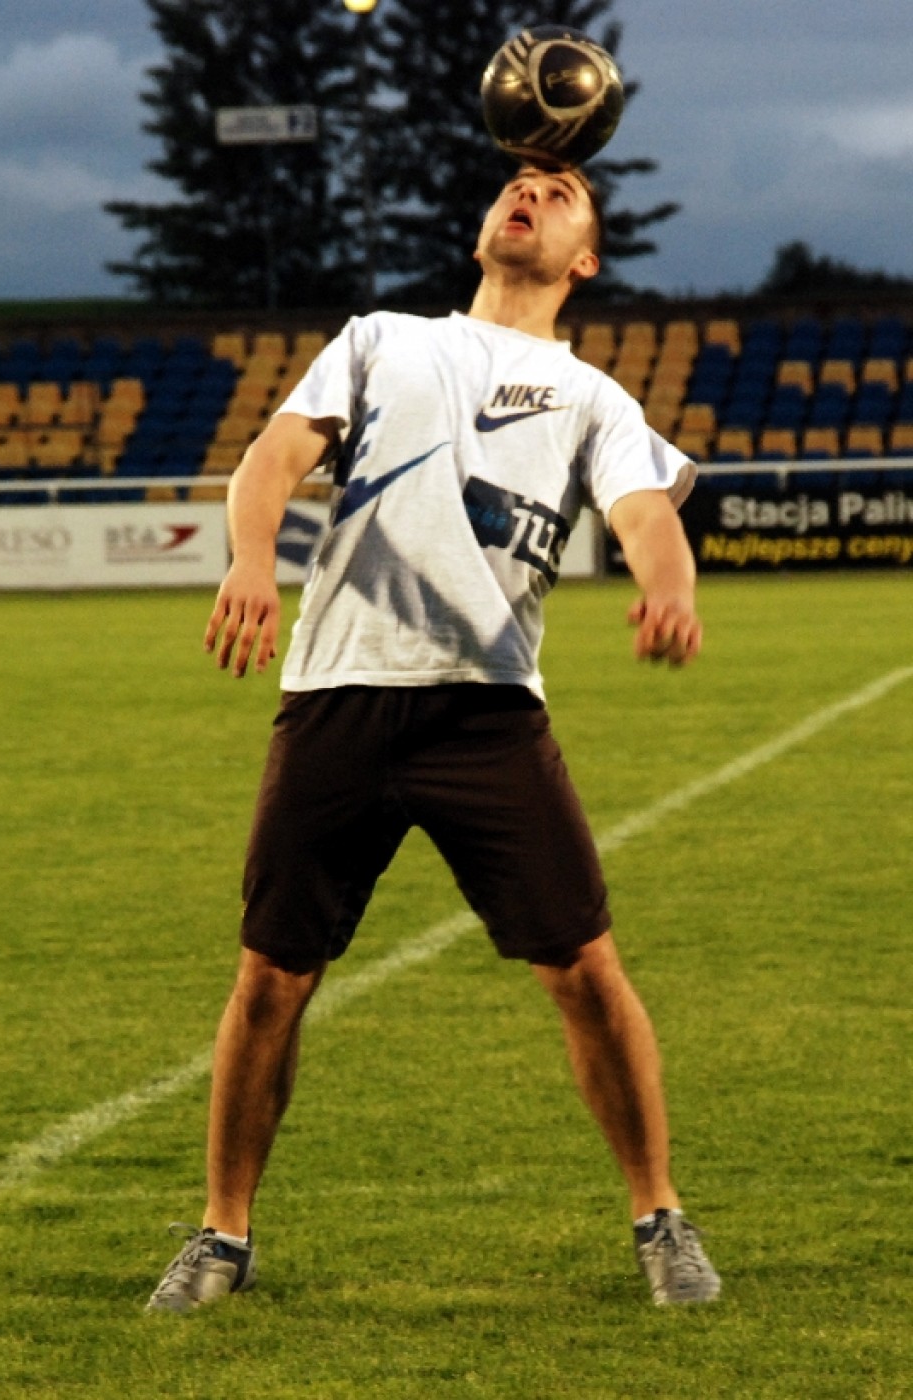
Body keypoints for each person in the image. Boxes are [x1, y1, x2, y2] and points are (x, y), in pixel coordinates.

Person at [146, 162, 720, 1313]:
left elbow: (645, 511)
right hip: (336, 698)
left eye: (560, 190)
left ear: (585, 257)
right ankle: (221, 1233)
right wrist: (251, 560)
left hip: (486, 712)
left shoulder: (591, 396)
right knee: (269, 978)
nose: (529, 192)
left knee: (584, 970)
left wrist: (670, 586)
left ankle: (660, 1216)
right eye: (518, 181)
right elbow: (271, 457)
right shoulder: (381, 340)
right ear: (481, 230)